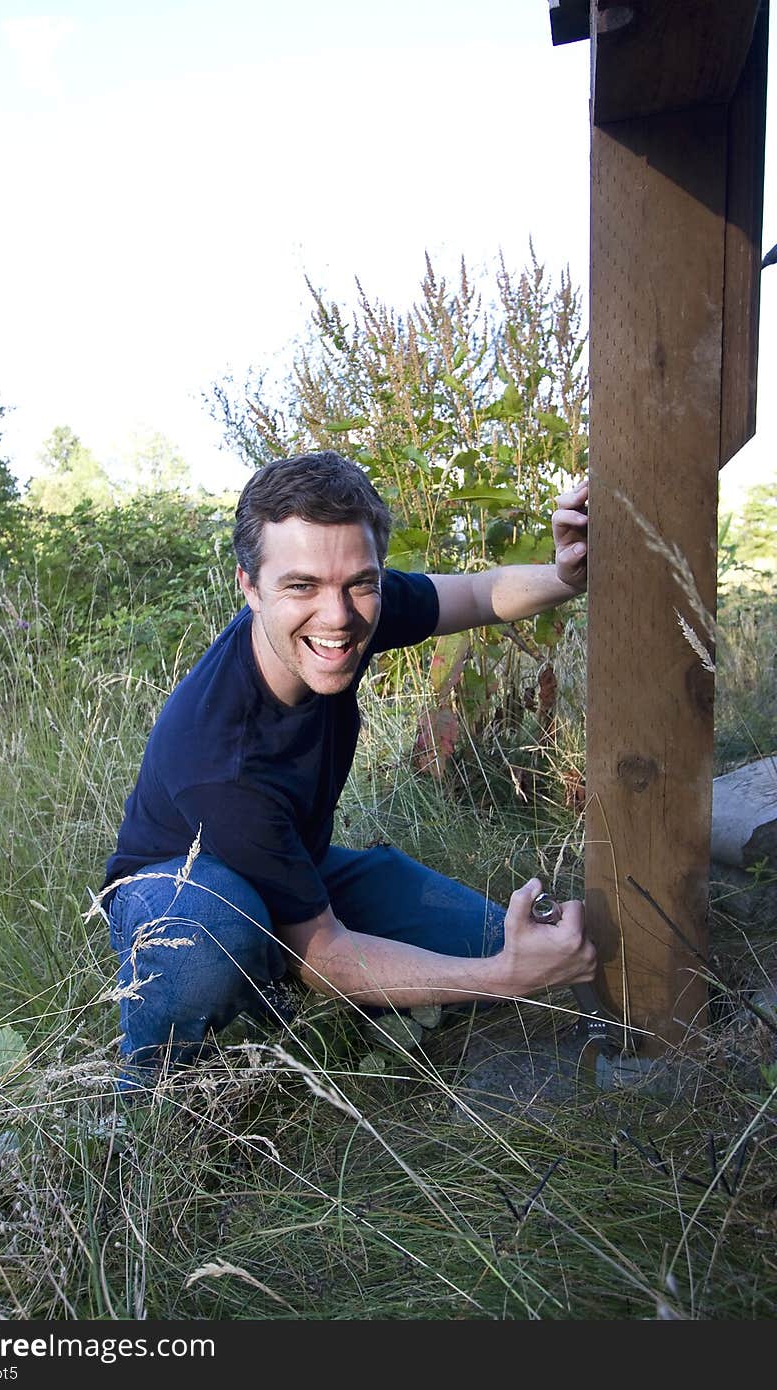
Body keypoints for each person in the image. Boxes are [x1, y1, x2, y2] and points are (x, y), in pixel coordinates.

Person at [101, 451, 594, 1085]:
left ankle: (287, 972)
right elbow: (328, 955)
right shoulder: (218, 757)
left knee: (496, 943)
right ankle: (144, 1099)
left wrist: (566, 575)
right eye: (300, 586)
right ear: (248, 586)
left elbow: (474, 592)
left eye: (359, 582)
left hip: (295, 868)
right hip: (181, 893)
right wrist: (506, 980)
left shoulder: (354, 612)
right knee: (208, 942)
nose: (337, 618)